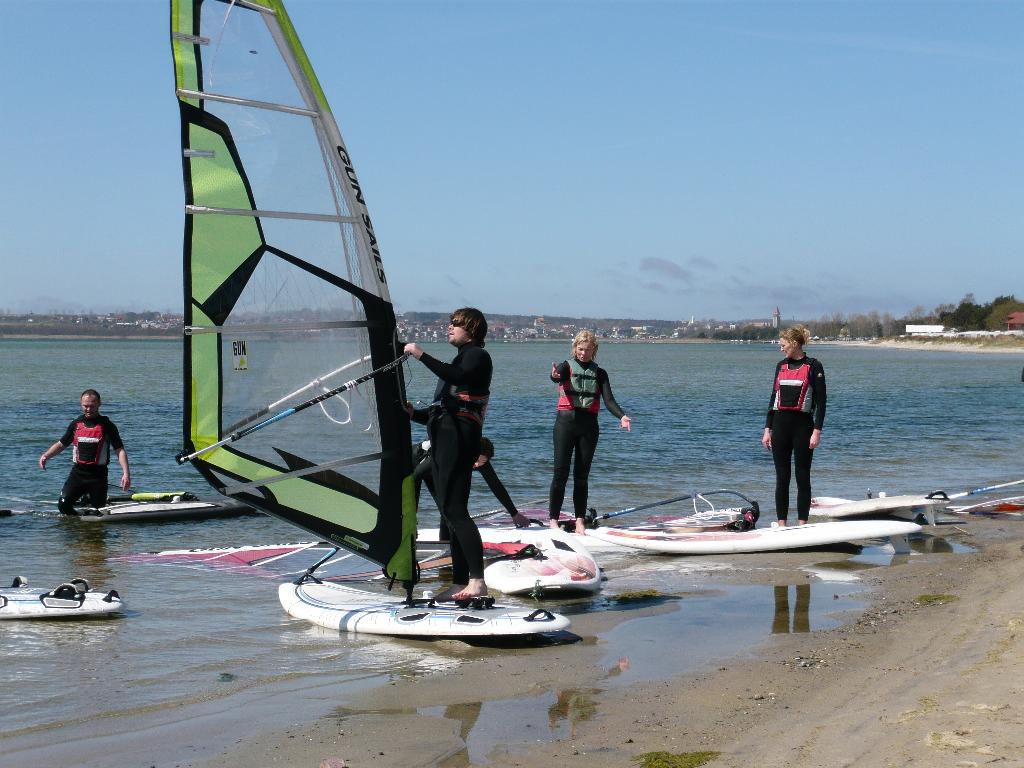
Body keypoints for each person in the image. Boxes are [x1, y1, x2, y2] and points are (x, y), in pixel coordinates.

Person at [404, 307, 492, 601]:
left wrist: (420, 354)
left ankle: (477, 581)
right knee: (450, 512)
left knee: (456, 510)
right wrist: (413, 413)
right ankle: (458, 582)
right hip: (444, 437)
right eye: (450, 323)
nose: (448, 327)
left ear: (472, 328)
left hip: (458, 438)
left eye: (455, 323)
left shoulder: (476, 355)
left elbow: (457, 375)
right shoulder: (458, 359)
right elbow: (440, 409)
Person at [549, 330, 631, 535]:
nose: (583, 353)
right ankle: (553, 520)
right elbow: (555, 375)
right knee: (560, 474)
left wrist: (621, 416)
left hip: (589, 427)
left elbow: (609, 400)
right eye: (580, 348)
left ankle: (579, 521)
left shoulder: (600, 373)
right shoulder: (566, 366)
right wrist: (554, 375)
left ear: (594, 350)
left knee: (581, 476)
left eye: (588, 349)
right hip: (565, 425)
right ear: (575, 348)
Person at [761, 325, 826, 526]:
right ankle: (781, 523)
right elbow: (774, 399)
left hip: (803, 427)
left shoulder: (814, 366)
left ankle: (802, 523)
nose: (781, 348)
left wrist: (817, 431)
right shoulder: (780, 366)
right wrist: (767, 430)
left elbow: (822, 402)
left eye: (783, 345)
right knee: (782, 477)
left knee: (802, 476)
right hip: (780, 426)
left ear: (795, 344)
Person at [414, 436, 532, 535]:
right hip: (415, 463)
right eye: (476, 460)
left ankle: (447, 547)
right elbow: (417, 475)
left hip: (436, 472)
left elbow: (496, 485)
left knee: (447, 510)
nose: (476, 465)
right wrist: (414, 508)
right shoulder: (453, 454)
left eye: (481, 463)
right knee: (443, 509)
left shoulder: (480, 462)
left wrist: (514, 513)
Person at [38, 389, 131, 515]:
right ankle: (79, 524)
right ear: (81, 404)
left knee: (97, 513)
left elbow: (119, 450)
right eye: (85, 406)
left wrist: (126, 473)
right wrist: (46, 456)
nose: (88, 409)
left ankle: (89, 518)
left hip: (98, 476)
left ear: (99, 404)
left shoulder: (107, 425)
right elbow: (61, 444)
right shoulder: (76, 424)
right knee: (63, 505)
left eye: (92, 406)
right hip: (78, 474)